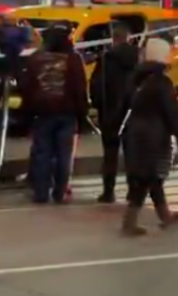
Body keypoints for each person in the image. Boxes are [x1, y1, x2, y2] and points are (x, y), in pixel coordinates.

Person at [119, 38, 178, 236]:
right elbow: (172, 113)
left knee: (149, 177)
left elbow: (124, 106)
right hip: (155, 136)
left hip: (135, 133)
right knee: (148, 177)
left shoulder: (136, 79)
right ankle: (130, 222)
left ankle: (164, 216)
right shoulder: (161, 82)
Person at [18, 23, 90, 204]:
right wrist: (82, 115)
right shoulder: (73, 59)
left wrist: (25, 114)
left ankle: (41, 193)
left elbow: (27, 88)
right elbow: (80, 89)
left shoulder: (36, 59)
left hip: (42, 113)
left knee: (43, 153)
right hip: (67, 113)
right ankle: (59, 193)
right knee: (63, 155)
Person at [90, 23, 139, 203]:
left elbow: (95, 85)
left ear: (114, 39)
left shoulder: (105, 59)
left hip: (110, 112)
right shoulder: (138, 59)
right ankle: (133, 191)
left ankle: (108, 192)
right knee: (132, 153)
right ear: (129, 39)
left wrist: (97, 105)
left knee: (110, 153)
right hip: (133, 113)